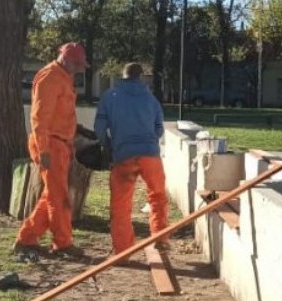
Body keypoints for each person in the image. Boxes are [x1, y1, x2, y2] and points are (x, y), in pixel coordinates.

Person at [14, 42, 88, 258]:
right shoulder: (50, 77)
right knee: (59, 198)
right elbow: (39, 118)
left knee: (52, 195)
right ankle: (63, 244)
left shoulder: (63, 77)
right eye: (77, 64)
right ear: (65, 59)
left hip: (60, 144)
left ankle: (27, 239)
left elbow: (62, 116)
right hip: (50, 144)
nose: (80, 68)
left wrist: (70, 143)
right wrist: (44, 150)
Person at [94, 62, 169, 255]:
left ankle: (123, 250)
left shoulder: (110, 96)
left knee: (120, 205)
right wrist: (149, 141)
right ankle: (160, 238)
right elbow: (159, 128)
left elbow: (100, 128)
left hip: (123, 155)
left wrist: (108, 145)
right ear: (141, 77)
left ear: (122, 75)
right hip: (150, 154)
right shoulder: (150, 98)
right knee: (158, 196)